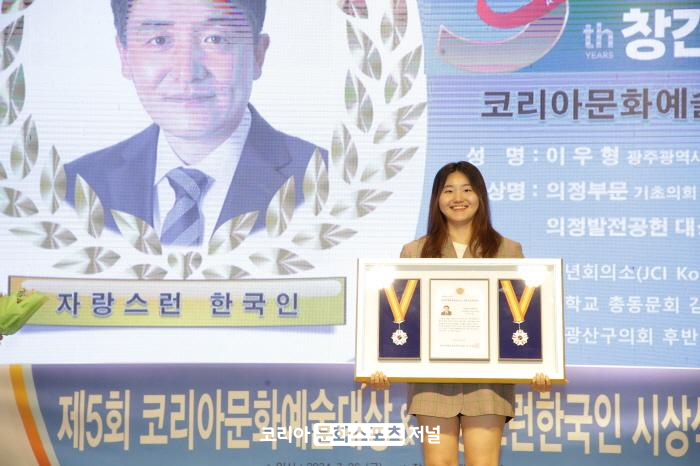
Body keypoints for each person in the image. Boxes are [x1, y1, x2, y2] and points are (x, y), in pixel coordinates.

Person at [64, 0, 324, 246]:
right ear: (124, 56)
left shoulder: (327, 182)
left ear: (258, 54)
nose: (187, 72)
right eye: (159, 40)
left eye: (215, 39)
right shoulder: (71, 188)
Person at [369, 161, 551, 466]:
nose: (458, 198)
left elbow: (524, 317)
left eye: (467, 190)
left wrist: (541, 365)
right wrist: (382, 364)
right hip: (430, 384)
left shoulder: (508, 250)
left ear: (480, 196)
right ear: (437, 199)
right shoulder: (414, 252)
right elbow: (400, 318)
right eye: (448, 190)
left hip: (489, 383)